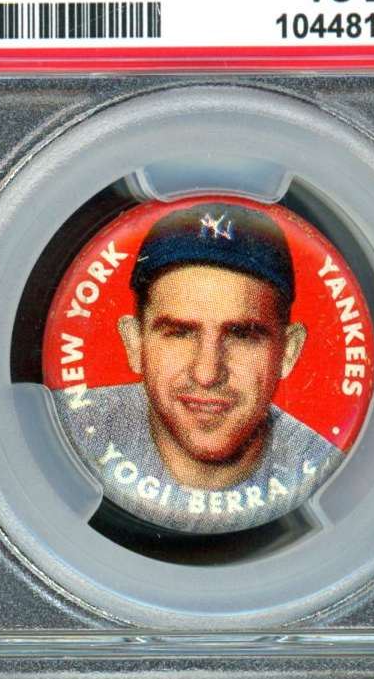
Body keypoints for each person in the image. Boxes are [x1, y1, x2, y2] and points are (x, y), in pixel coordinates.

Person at [51, 203, 342, 533]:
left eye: (242, 335)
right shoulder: (64, 437)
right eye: (179, 333)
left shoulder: (329, 472)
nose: (207, 374)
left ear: (288, 352)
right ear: (134, 344)